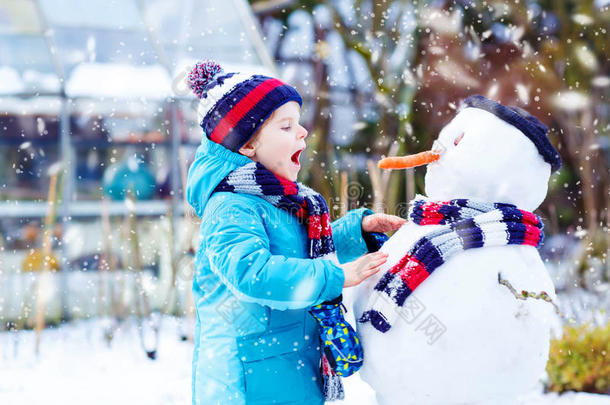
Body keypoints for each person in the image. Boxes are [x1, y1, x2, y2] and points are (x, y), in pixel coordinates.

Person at [185, 60, 406, 405]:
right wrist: (335, 276)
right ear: (246, 147)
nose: (302, 132)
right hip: (247, 384)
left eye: (298, 123)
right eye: (286, 126)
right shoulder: (230, 207)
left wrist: (354, 233)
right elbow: (251, 273)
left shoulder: (276, 200)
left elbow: (299, 250)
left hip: (290, 370)